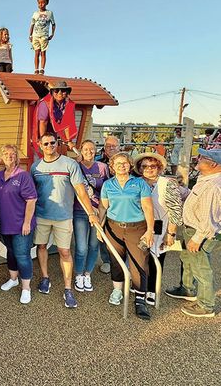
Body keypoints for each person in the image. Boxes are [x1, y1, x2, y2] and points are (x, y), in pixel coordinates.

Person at [31, 133, 98, 308]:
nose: (49, 146)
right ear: (40, 145)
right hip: (41, 215)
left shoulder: (70, 164)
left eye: (52, 143)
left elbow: (81, 191)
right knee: (42, 247)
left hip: (64, 217)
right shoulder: (35, 167)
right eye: (45, 143)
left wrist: (91, 212)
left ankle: (68, 288)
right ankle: (45, 277)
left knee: (65, 252)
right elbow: (30, 193)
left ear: (57, 143)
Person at [165, 148, 221, 318]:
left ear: (213, 164)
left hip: (200, 232)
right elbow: (195, 198)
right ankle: (187, 288)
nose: (198, 158)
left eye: (203, 157)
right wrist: (181, 190)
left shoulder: (213, 185)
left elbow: (209, 218)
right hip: (193, 229)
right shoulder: (206, 179)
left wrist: (197, 238)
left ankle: (206, 305)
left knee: (201, 266)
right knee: (188, 259)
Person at [100, 152, 155, 320]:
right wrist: (99, 228)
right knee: (116, 261)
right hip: (113, 227)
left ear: (130, 165)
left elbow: (147, 208)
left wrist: (150, 230)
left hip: (137, 228)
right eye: (118, 163)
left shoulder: (139, 183)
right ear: (112, 166)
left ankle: (140, 299)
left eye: (124, 163)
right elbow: (103, 208)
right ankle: (117, 290)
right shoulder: (108, 185)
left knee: (139, 263)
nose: (121, 166)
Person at [134, 152, 183, 306]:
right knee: (140, 258)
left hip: (160, 228)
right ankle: (140, 287)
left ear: (159, 167)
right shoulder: (135, 182)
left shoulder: (168, 183)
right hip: (138, 226)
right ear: (140, 168)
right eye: (145, 166)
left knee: (156, 260)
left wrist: (171, 233)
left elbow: (176, 211)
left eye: (153, 166)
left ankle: (152, 290)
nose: (149, 169)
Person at [0, 144, 37, 304]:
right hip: (5, 224)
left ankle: (26, 288)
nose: (9, 156)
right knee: (11, 253)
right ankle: (13, 279)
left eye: (13, 154)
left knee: (22, 255)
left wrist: (27, 223)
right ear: (2, 157)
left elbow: (31, 200)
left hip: (21, 225)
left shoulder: (23, 176)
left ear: (17, 157)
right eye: (6, 153)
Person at [72, 140, 109, 293]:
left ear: (96, 151)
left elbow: (107, 188)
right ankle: (79, 274)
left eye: (92, 149)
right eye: (86, 149)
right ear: (81, 150)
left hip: (98, 211)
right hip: (80, 210)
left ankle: (88, 274)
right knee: (81, 246)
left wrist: (104, 211)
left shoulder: (102, 167)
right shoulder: (75, 166)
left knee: (94, 245)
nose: (89, 152)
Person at [95, 135, 121, 273]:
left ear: (119, 147)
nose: (111, 148)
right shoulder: (98, 162)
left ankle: (122, 262)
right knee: (103, 233)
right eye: (108, 146)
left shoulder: (127, 162)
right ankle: (107, 261)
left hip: (122, 205)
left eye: (114, 146)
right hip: (103, 203)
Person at [34, 81, 77, 152]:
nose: (59, 93)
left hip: (54, 132)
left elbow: (67, 124)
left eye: (63, 91)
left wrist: (69, 140)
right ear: (52, 93)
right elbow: (43, 123)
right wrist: (43, 140)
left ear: (67, 93)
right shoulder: (45, 103)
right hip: (43, 129)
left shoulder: (69, 104)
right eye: (56, 91)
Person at [29, 0, 55, 75]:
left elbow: (53, 24)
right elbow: (32, 24)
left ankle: (42, 69)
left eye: (43, 2)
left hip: (44, 36)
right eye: (39, 3)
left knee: (43, 52)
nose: (41, 4)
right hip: (35, 35)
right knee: (36, 52)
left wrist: (52, 34)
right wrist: (30, 35)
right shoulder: (35, 14)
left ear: (47, 3)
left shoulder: (49, 13)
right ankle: (36, 69)